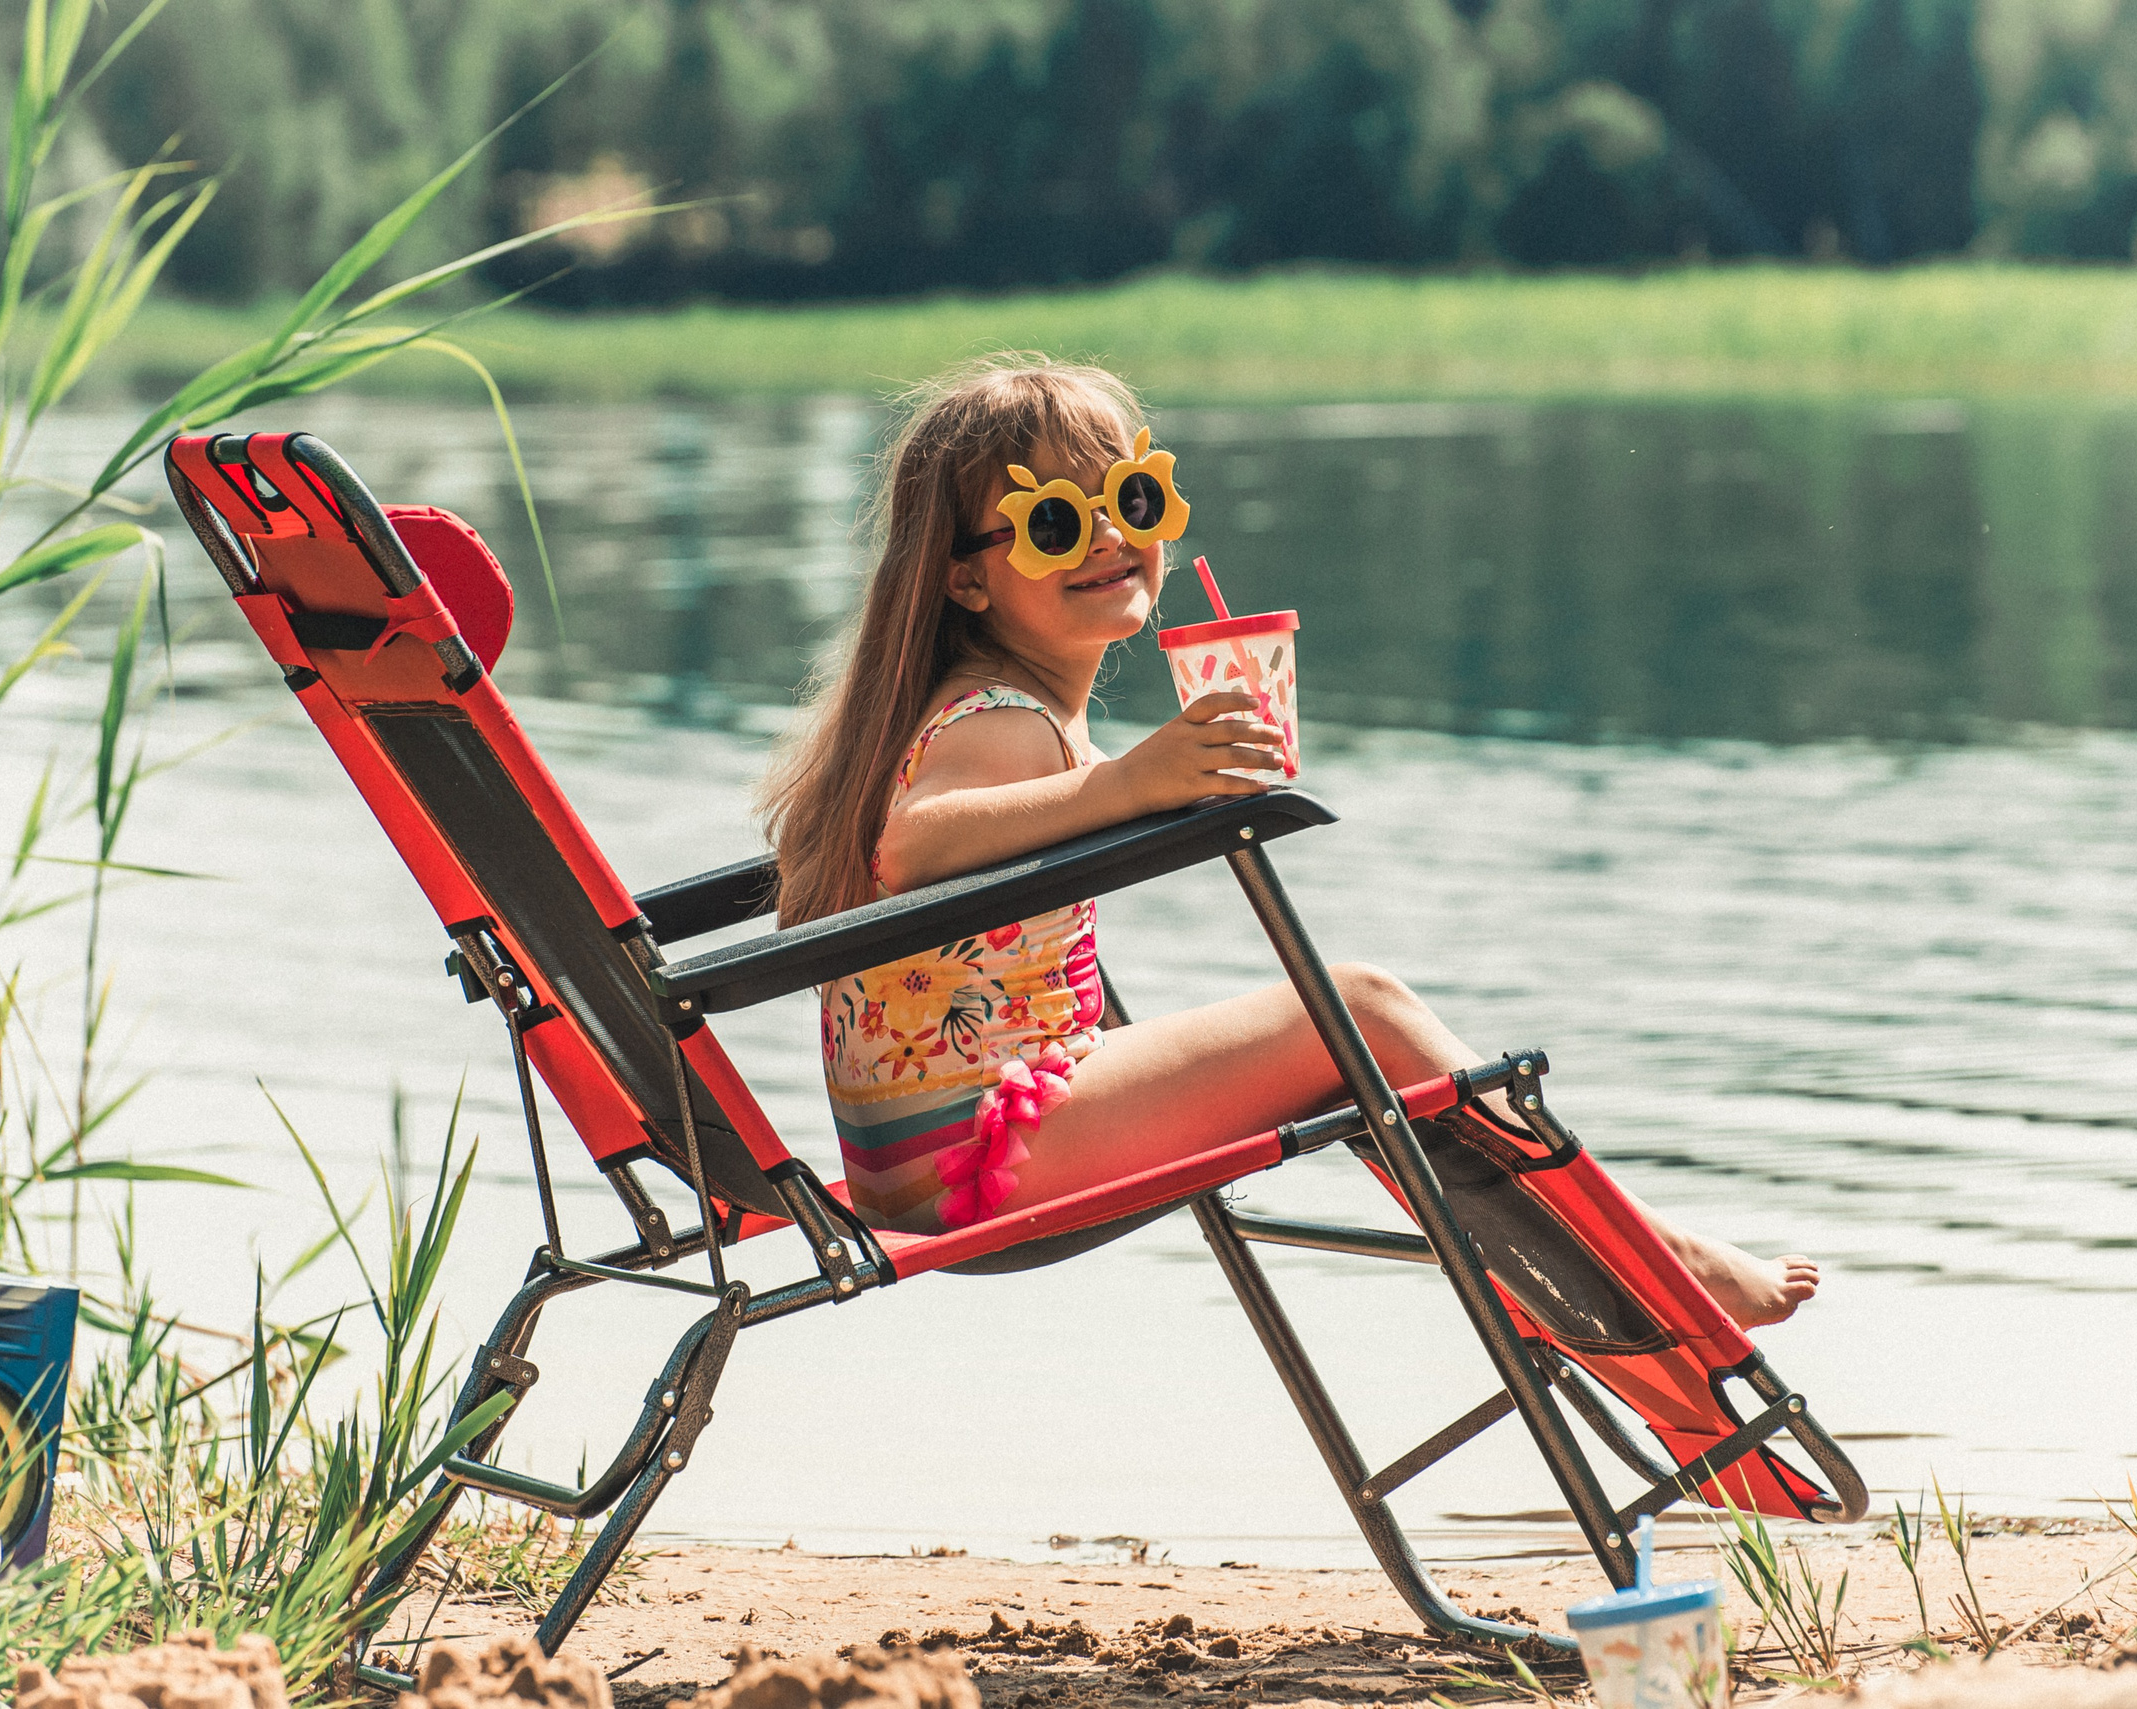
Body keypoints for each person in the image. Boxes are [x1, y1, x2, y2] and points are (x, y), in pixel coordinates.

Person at [760, 355, 1818, 1329]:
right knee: (1360, 1008)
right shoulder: (1001, 718)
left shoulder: (990, 704)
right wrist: (1126, 783)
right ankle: (1642, 1255)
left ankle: (1583, 1259)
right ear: (965, 578)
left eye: (1130, 499)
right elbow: (916, 845)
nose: (1106, 539)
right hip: (984, 1157)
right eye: (1050, 524)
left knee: (1357, 1037)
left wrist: (1126, 786)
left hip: (936, 1146)